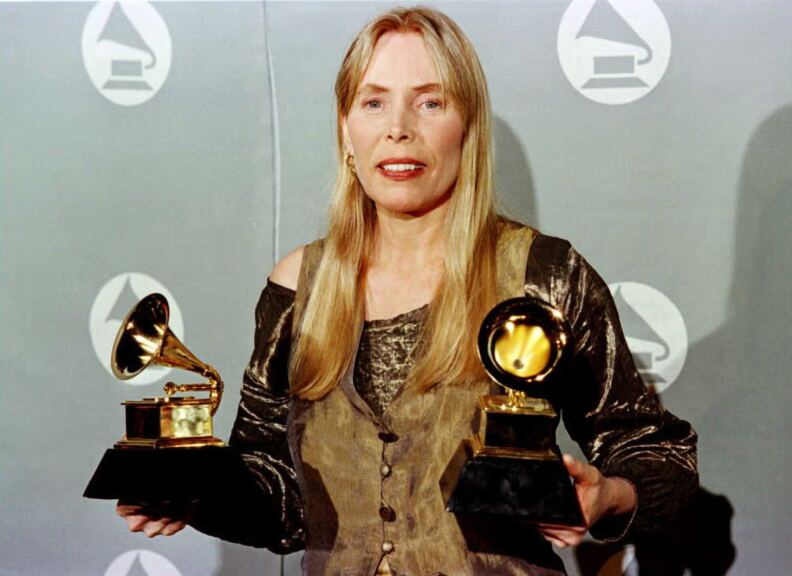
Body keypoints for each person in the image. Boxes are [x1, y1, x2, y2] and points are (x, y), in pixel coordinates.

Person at [117, 7, 698, 575]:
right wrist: (193, 494)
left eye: (429, 102)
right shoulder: (299, 286)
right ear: (346, 130)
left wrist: (607, 496)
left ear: (466, 127)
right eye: (374, 102)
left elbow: (659, 454)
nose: (398, 128)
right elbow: (282, 503)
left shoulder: (544, 275)